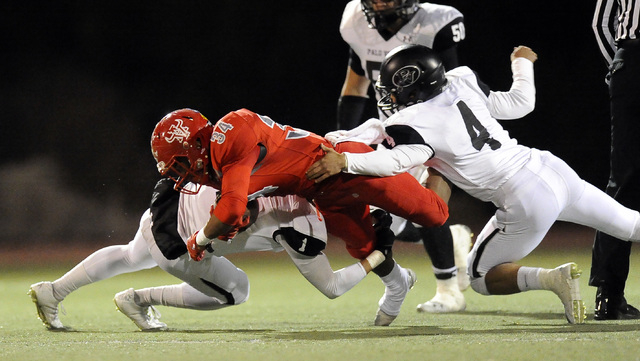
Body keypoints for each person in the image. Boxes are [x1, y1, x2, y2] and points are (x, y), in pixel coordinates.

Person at [306, 43, 640, 324]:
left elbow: (393, 161)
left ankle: (554, 278)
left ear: (414, 87)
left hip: (524, 199)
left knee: (478, 278)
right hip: (550, 168)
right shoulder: (460, 81)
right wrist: (522, 62)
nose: (390, 96)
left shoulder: (412, 121)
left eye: (395, 89)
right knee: (629, 224)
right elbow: (521, 104)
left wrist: (345, 160)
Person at [150, 108, 450, 326]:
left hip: (344, 167)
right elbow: (247, 198)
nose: (182, 174)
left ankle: (444, 158)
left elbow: (229, 208)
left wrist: (200, 239)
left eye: (180, 164)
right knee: (364, 247)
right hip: (323, 193)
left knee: (435, 215)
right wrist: (244, 215)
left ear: (197, 145)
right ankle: (399, 285)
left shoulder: (233, 130)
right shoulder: (217, 168)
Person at [28, 179, 384, 331]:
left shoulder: (287, 166)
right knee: (237, 290)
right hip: (184, 242)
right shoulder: (305, 224)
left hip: (169, 205)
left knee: (130, 255)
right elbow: (333, 287)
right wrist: (377, 257)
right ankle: (137, 300)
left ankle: (54, 290)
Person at [337, 0, 472, 314]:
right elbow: (355, 86)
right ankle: (452, 240)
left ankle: (449, 290)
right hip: (394, 134)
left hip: (436, 131)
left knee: (425, 204)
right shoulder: (355, 21)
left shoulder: (437, 22)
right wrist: (346, 138)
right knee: (379, 222)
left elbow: (456, 89)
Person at [590, 0, 640, 320]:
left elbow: (602, 24)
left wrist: (619, 66)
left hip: (632, 59)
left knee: (623, 181)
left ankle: (608, 295)